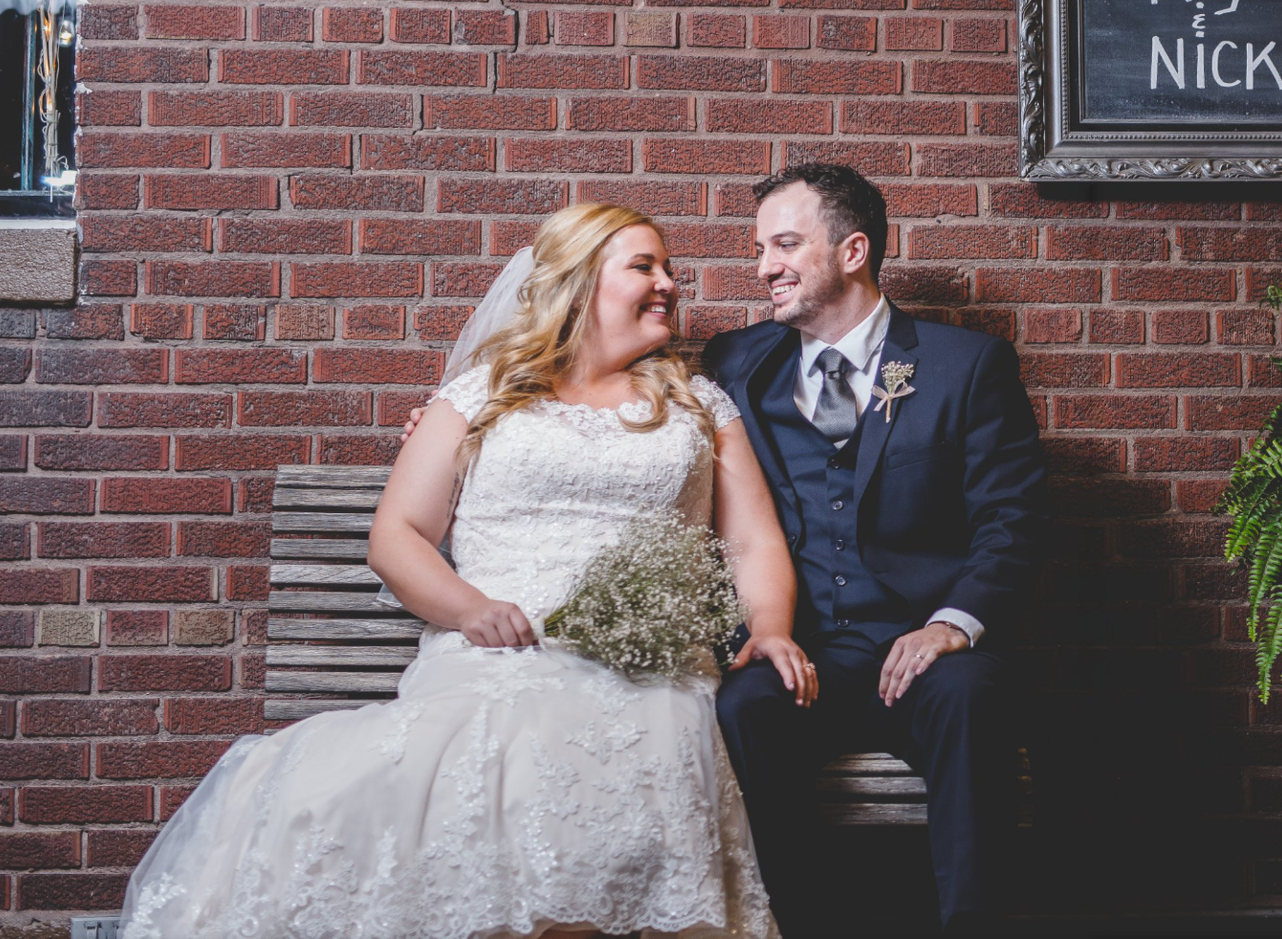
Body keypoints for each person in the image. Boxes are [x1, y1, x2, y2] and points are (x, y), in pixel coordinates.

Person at [117, 204, 812, 939]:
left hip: (641, 665)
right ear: (577, 283)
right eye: (645, 265)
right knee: (397, 778)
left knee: (608, 749)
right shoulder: (483, 395)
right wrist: (468, 609)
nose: (669, 282)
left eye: (668, 268)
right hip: (492, 652)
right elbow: (398, 536)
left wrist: (769, 629)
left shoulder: (698, 405)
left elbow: (752, 544)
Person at [703, 163, 1048, 931]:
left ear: (853, 251)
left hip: (921, 648)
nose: (765, 268)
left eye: (785, 245)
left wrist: (950, 625)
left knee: (969, 697)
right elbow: (613, 389)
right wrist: (459, 416)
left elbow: (1012, 520)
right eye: (760, 249)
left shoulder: (966, 367)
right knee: (742, 706)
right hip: (803, 650)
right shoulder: (733, 363)